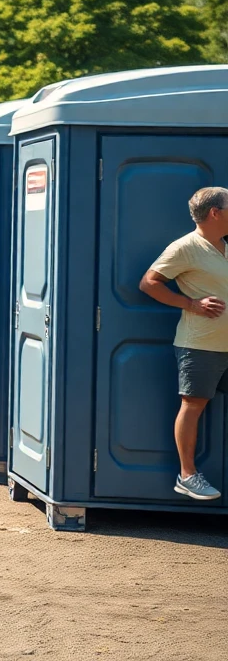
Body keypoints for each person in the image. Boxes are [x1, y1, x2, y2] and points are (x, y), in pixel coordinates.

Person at [138, 187, 228, 502]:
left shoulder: (224, 247)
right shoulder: (185, 247)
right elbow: (148, 282)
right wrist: (191, 304)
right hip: (200, 345)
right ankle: (187, 475)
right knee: (193, 405)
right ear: (215, 212)